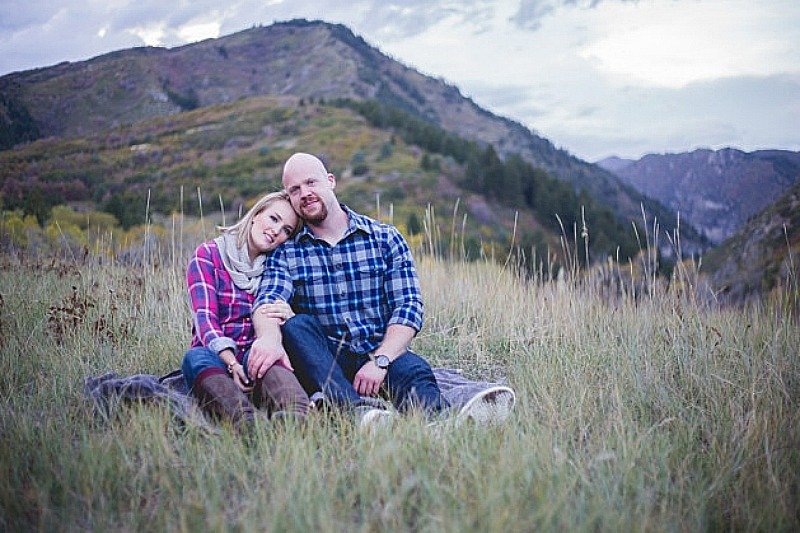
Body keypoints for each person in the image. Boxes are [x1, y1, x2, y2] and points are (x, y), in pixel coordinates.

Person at [247, 153, 449, 423]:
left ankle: (442, 422)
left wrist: (380, 361)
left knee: (415, 371)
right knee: (296, 326)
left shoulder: (385, 238)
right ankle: (359, 414)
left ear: (330, 181)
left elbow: (408, 307)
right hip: (327, 364)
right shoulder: (286, 253)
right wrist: (269, 340)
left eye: (311, 182)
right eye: (294, 190)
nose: (304, 193)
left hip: (381, 353)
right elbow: (268, 302)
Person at [182, 191, 310, 430]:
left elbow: (282, 311)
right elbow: (205, 321)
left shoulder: (275, 266)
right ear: (256, 214)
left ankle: (297, 417)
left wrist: (288, 313)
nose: (277, 231)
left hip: (255, 352)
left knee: (270, 359)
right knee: (194, 358)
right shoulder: (208, 255)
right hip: (217, 355)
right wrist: (232, 364)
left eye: (286, 230)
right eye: (274, 219)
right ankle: (246, 423)